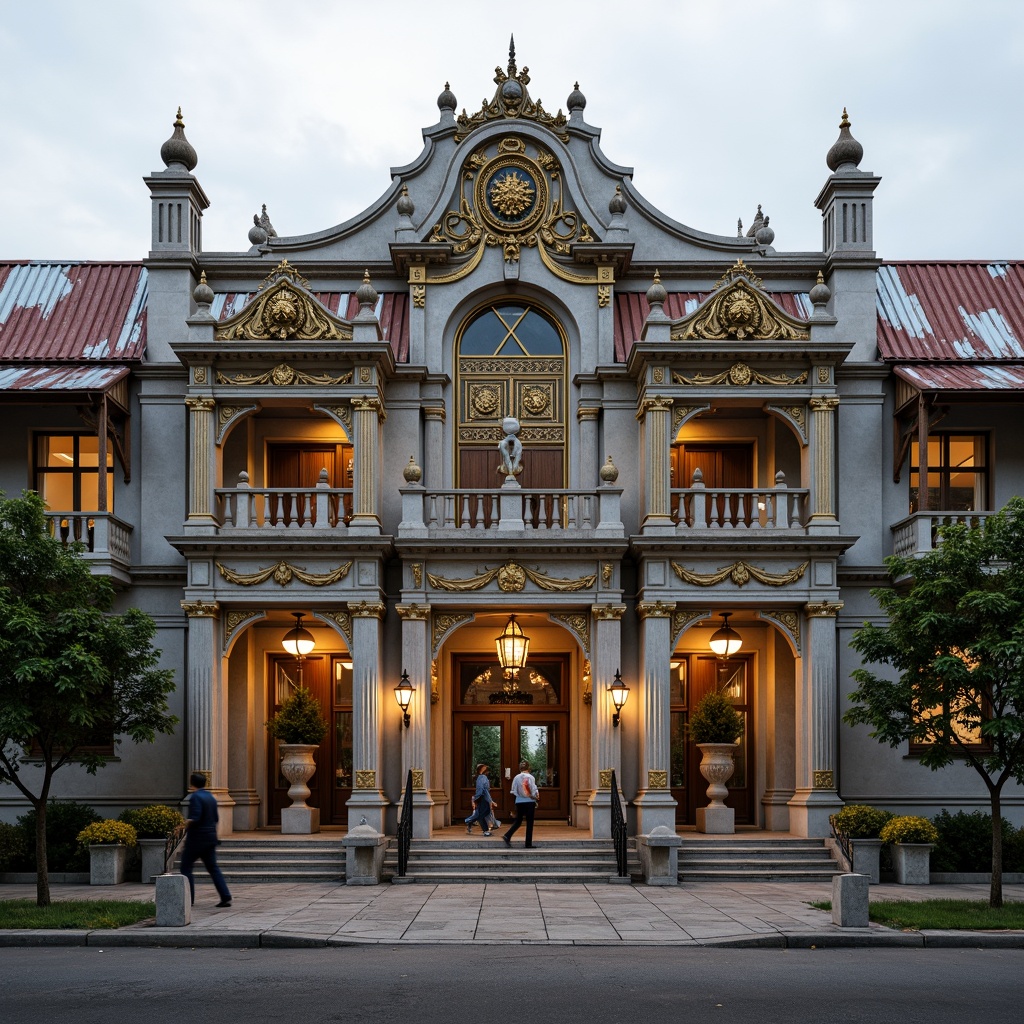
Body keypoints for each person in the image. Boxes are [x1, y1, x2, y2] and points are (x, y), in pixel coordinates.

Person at [180, 771, 232, 908]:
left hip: (197, 839)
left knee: (185, 868)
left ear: (192, 784)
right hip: (210, 837)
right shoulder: (210, 797)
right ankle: (225, 895)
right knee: (213, 868)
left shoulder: (195, 797)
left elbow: (195, 818)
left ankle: (188, 899)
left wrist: (184, 824)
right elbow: (215, 818)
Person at [502, 760, 539, 848]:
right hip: (529, 801)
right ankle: (528, 843)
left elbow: (513, 790)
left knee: (518, 821)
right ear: (528, 768)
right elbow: (533, 789)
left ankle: (508, 835)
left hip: (519, 801)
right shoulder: (531, 777)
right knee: (529, 822)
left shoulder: (516, 777)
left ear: (520, 768)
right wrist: (535, 798)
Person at [465, 762, 496, 836]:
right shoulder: (482, 777)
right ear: (482, 769)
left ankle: (469, 821)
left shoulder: (480, 777)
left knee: (480, 813)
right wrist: (489, 800)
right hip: (482, 797)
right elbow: (482, 789)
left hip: (481, 797)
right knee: (483, 813)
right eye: (485, 768)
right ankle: (485, 830)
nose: (487, 771)